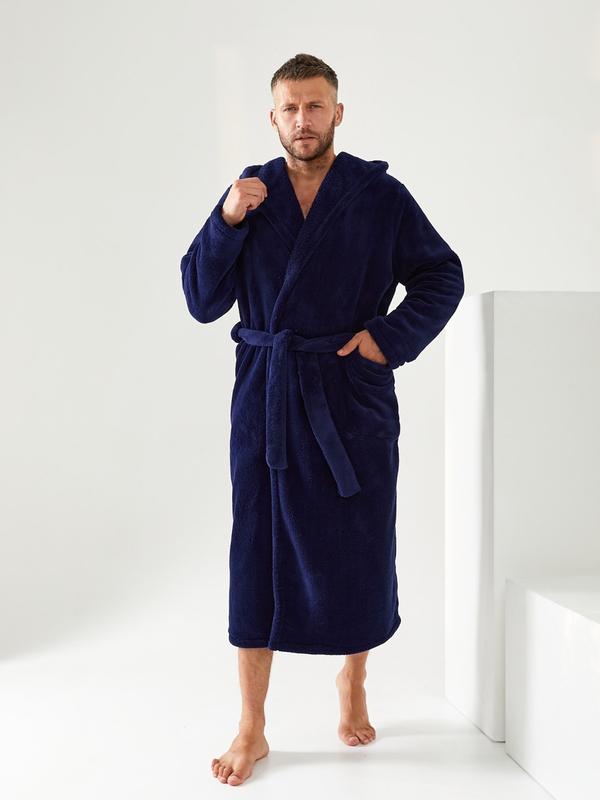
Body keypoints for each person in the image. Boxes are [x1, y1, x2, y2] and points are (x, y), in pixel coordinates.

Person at [180, 53, 465, 786]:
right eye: (290, 108)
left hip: (350, 395)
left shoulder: (378, 195)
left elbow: (442, 274)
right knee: (257, 555)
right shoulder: (249, 196)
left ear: (338, 112)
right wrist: (225, 221)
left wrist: (385, 342)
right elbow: (202, 301)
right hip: (267, 399)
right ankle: (252, 725)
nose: (302, 120)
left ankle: (353, 677)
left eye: (315, 106)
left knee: (357, 543)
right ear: (272, 117)